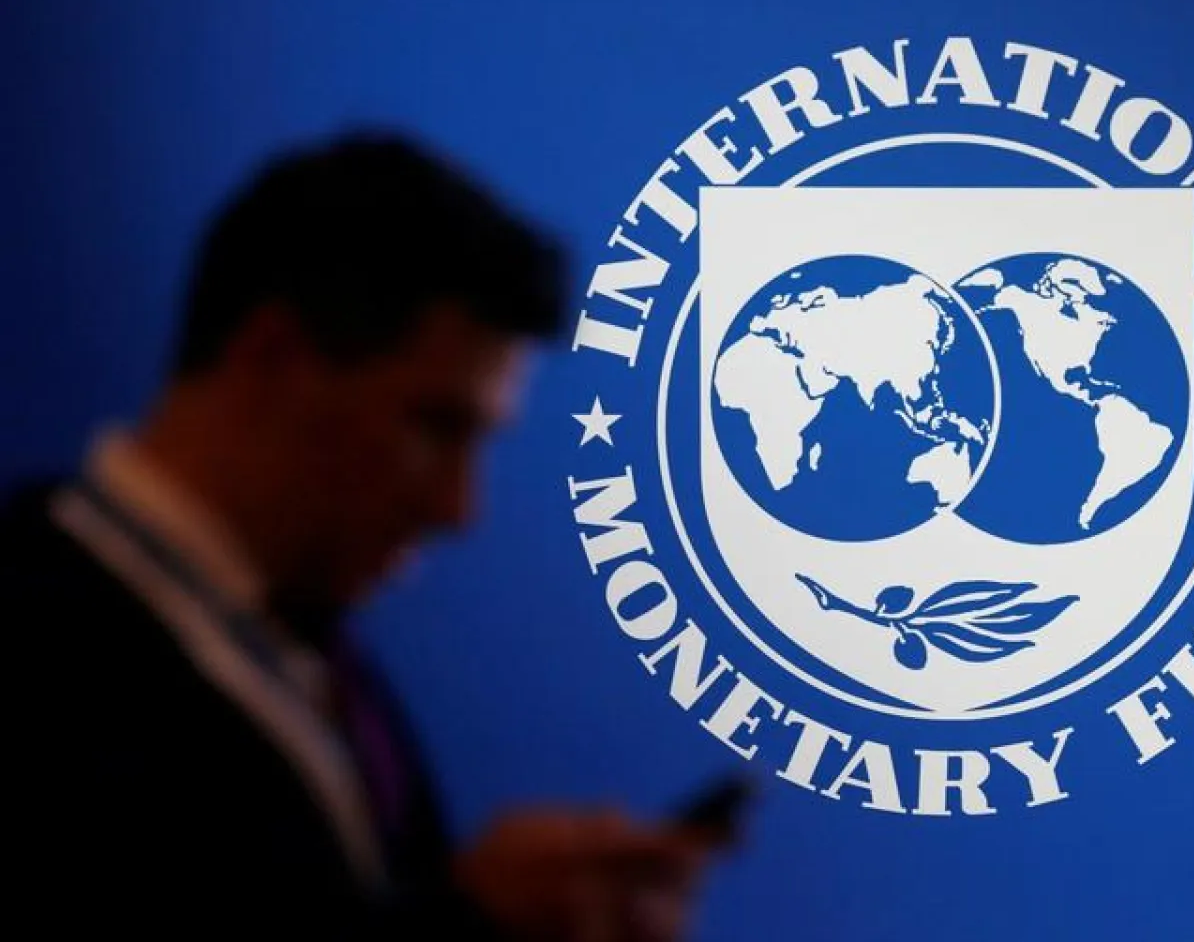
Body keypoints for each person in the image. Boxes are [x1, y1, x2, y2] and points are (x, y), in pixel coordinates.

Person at [3, 130, 716, 938]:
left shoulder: (310, 654)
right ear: (270, 357)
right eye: (435, 425)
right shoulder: (35, 644)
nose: (459, 507)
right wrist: (470, 920)